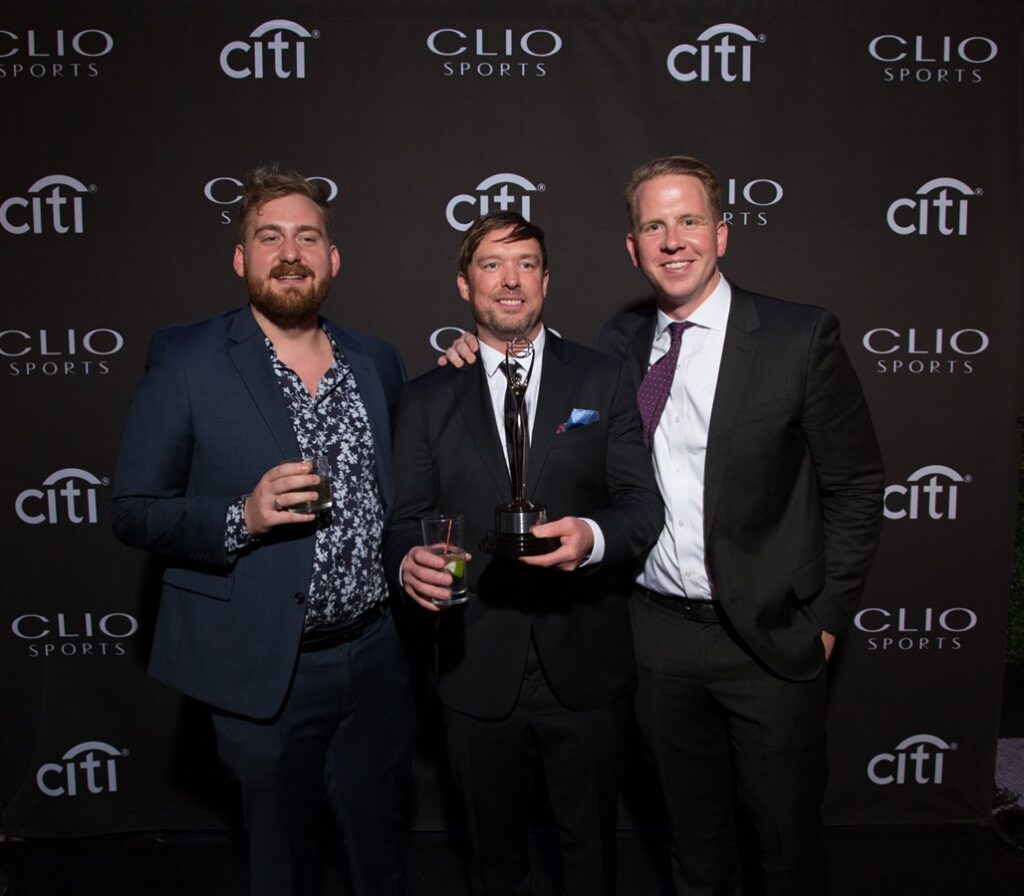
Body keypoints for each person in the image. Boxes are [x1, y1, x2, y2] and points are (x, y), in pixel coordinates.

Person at [440, 157, 885, 895]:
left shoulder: (798, 337)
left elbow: (857, 487)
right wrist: (478, 354)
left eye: (689, 221)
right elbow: (556, 392)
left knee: (786, 844)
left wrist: (827, 621)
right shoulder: (619, 343)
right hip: (654, 636)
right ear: (633, 246)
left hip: (771, 638)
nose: (673, 240)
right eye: (654, 225)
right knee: (692, 842)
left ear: (721, 234)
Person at [110, 166, 413, 896]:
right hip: (264, 665)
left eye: (307, 237)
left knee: (383, 858)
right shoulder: (188, 359)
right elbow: (133, 508)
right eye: (269, 237)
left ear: (332, 259)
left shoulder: (375, 360)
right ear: (240, 258)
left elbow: (403, 489)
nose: (290, 253)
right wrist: (239, 516)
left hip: (375, 656)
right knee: (283, 866)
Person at [385, 211, 663, 896]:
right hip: (474, 663)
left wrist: (591, 538)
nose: (510, 280)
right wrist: (408, 562)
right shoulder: (425, 397)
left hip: (586, 658)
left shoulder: (602, 379)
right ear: (464, 284)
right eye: (491, 265)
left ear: (546, 280)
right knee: (492, 862)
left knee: (592, 860)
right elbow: (403, 522)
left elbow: (641, 505)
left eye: (526, 264)